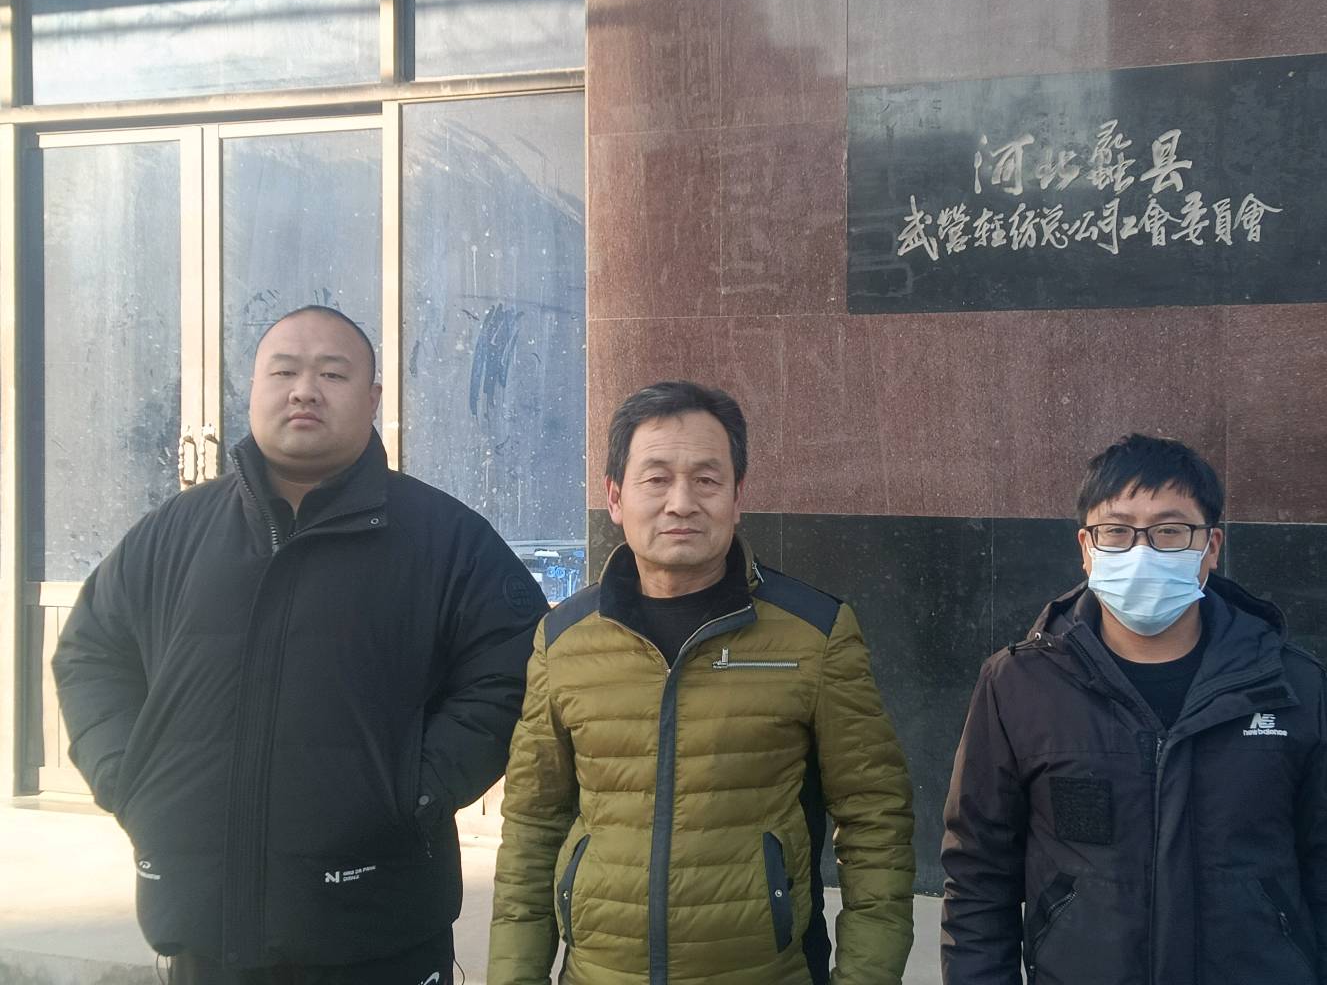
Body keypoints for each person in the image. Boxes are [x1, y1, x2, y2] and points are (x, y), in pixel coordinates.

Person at [53, 305, 549, 984]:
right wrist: (128, 775)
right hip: (202, 931)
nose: (304, 391)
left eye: (332, 374)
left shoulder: (444, 538)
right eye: (283, 372)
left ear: (372, 398)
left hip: (378, 931)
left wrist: (417, 791)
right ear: (252, 389)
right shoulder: (174, 532)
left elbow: (514, 670)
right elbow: (90, 653)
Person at [488, 380, 915, 985]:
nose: (681, 503)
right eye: (656, 478)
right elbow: (533, 827)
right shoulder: (564, 641)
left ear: (738, 498)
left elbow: (876, 819)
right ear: (615, 497)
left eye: (707, 480)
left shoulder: (814, 634)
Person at [940, 433, 1327, 985]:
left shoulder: (1290, 684)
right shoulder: (1018, 685)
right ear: (1087, 548)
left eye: (1170, 531)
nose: (1142, 552)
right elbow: (979, 874)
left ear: (1210, 546)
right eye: (1117, 530)